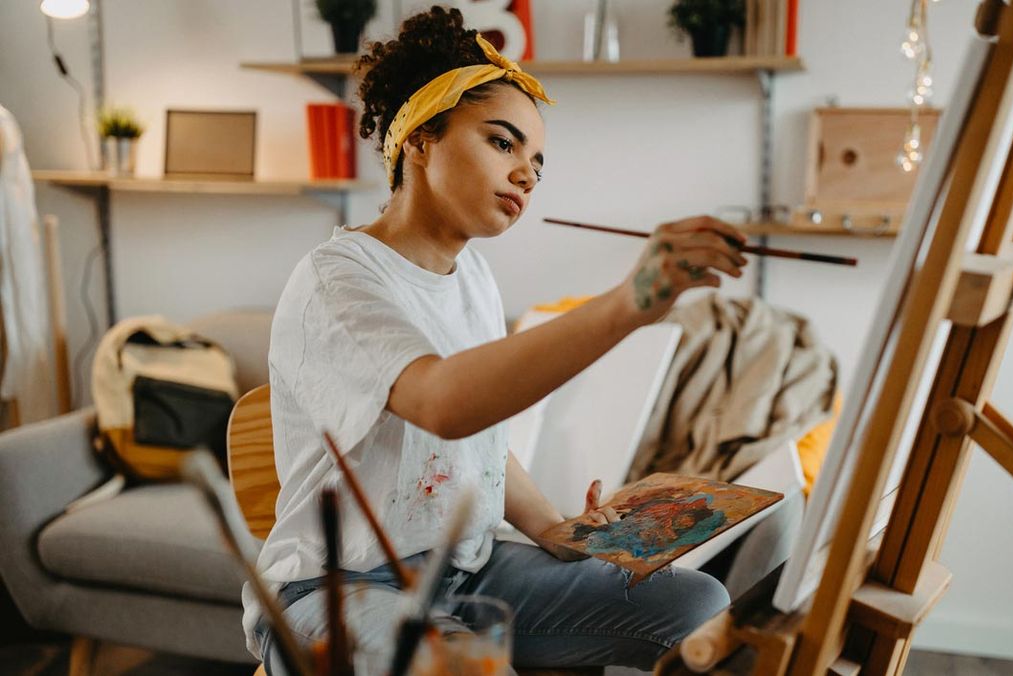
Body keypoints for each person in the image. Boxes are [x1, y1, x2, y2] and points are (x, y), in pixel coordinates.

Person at [244, 6, 749, 673]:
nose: (527, 174)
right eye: (503, 143)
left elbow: (480, 444)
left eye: (537, 161)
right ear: (420, 139)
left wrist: (557, 532)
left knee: (702, 608)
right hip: (340, 586)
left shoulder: (473, 278)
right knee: (459, 666)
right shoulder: (336, 281)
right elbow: (446, 404)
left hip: (469, 569)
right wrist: (630, 303)